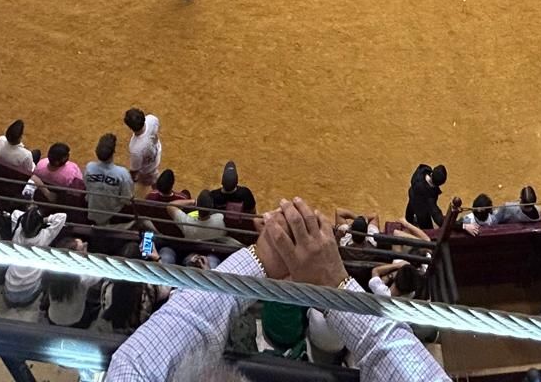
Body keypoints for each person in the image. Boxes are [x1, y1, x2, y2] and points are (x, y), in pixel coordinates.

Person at [104, 196, 445, 381]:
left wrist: (257, 261)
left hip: (305, 332)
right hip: (319, 334)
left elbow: (135, 361)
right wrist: (334, 284)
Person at [84, 132, 135, 226]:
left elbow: (87, 188)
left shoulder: (89, 167)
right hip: (113, 216)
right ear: (113, 152)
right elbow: (127, 199)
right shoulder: (122, 173)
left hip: (92, 213)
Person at [124, 108, 163, 186]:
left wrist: (132, 178)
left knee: (153, 182)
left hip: (148, 168)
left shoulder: (135, 148)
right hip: (157, 150)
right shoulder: (152, 119)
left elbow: (135, 169)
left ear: (130, 127)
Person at [404, 163, 446, 230]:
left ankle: (408, 222)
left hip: (412, 195)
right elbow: (435, 212)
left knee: (410, 211)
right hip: (422, 210)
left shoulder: (422, 171)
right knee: (428, 230)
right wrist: (444, 223)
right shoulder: (429, 195)